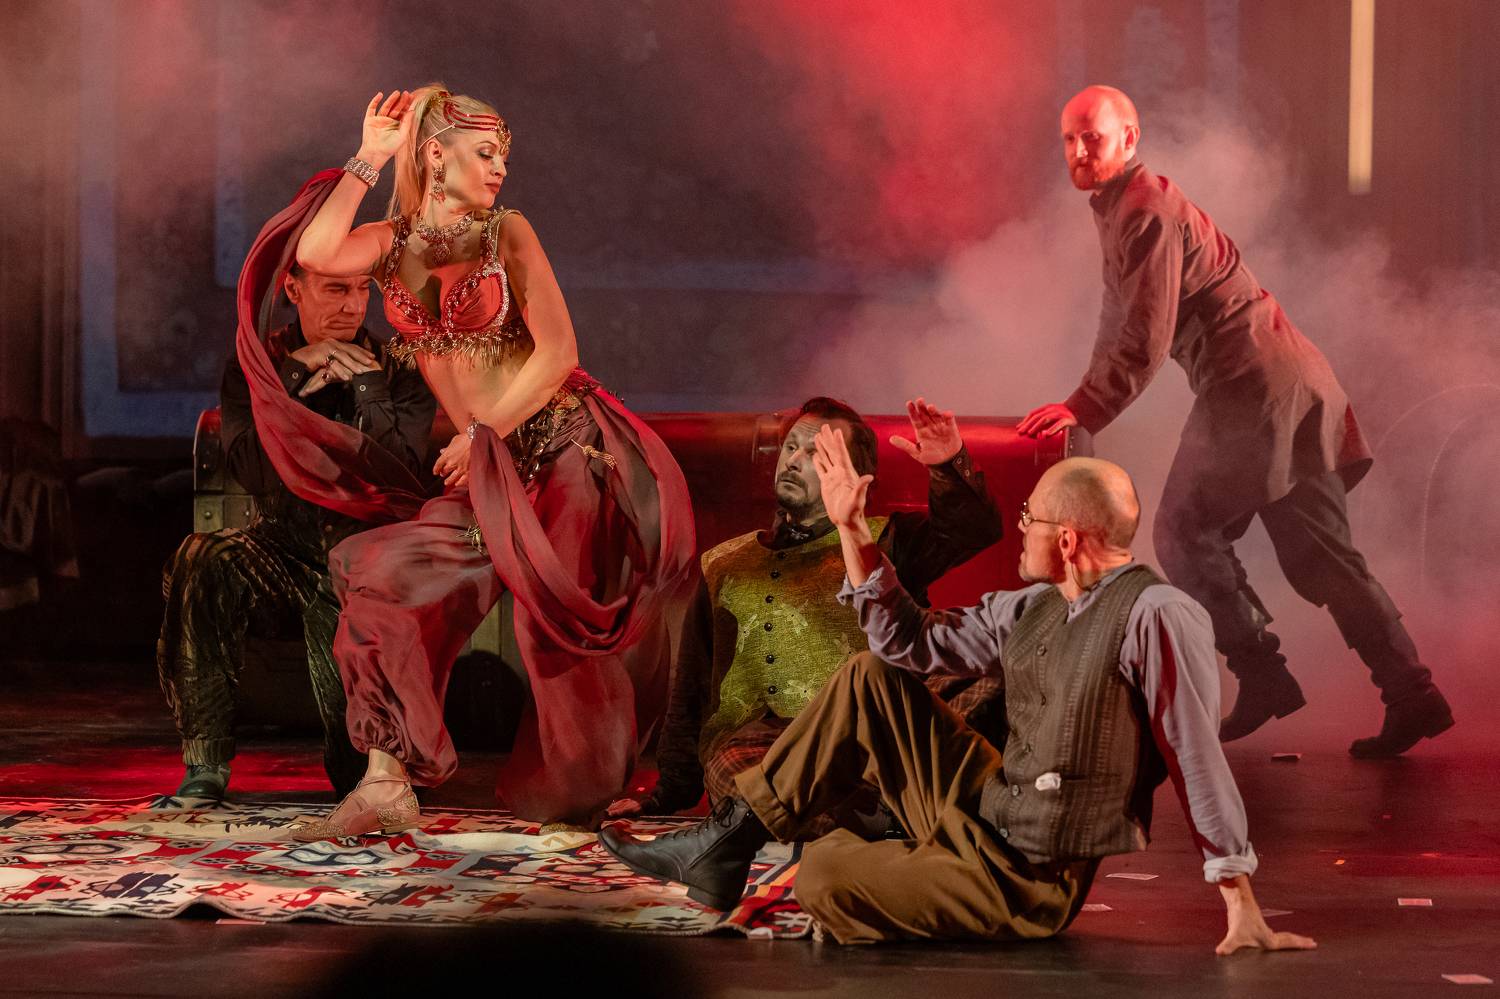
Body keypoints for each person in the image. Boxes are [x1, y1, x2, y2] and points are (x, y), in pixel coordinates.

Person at [602, 436, 1316, 957]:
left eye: (1032, 518)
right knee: (868, 678)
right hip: (986, 806)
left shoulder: (1157, 615)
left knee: (822, 876)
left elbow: (1195, 755)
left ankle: (880, 861)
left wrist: (1239, 899)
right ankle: (729, 843)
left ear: (1069, 539)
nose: (1023, 529)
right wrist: (850, 528)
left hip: (1031, 874)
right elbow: (905, 643)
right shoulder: (1032, 605)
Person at [268, 84, 694, 835]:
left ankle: (584, 794)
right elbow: (316, 252)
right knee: (389, 580)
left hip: (560, 452)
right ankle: (385, 781)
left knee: (550, 631)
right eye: (486, 153)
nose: (500, 168)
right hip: (486, 471)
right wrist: (369, 156)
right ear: (436, 155)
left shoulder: (509, 233)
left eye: (504, 156)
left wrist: (483, 432)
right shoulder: (391, 244)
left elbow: (559, 353)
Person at [1018, 86, 1451, 756]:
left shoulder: (1144, 209)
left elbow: (1142, 335)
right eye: (1068, 140)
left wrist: (1085, 407)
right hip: (1290, 381)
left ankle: (1263, 673)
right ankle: (1413, 693)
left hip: (1253, 390)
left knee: (1182, 529)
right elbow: (1119, 321)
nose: (1078, 151)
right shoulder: (1124, 207)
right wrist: (1081, 401)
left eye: (1092, 138)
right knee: (1324, 558)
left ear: (1130, 138)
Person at [610, 396, 1004, 823]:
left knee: (989, 669)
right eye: (791, 447)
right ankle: (872, 811)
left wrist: (947, 464)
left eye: (817, 454)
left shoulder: (886, 540)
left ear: (855, 474)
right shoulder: (725, 564)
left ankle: (872, 804)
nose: (794, 460)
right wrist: (666, 794)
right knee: (739, 778)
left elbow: (972, 530)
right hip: (767, 746)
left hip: (874, 738)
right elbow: (692, 685)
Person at [158, 264, 435, 800]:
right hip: (281, 546)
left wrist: (368, 388)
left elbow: (398, 471)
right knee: (202, 558)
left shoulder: (399, 367)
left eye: (362, 289)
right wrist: (289, 381)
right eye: (336, 289)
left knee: (354, 779)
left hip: (361, 559)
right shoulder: (257, 363)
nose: (353, 305)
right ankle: (205, 761)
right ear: (293, 289)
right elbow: (253, 471)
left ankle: (363, 769)